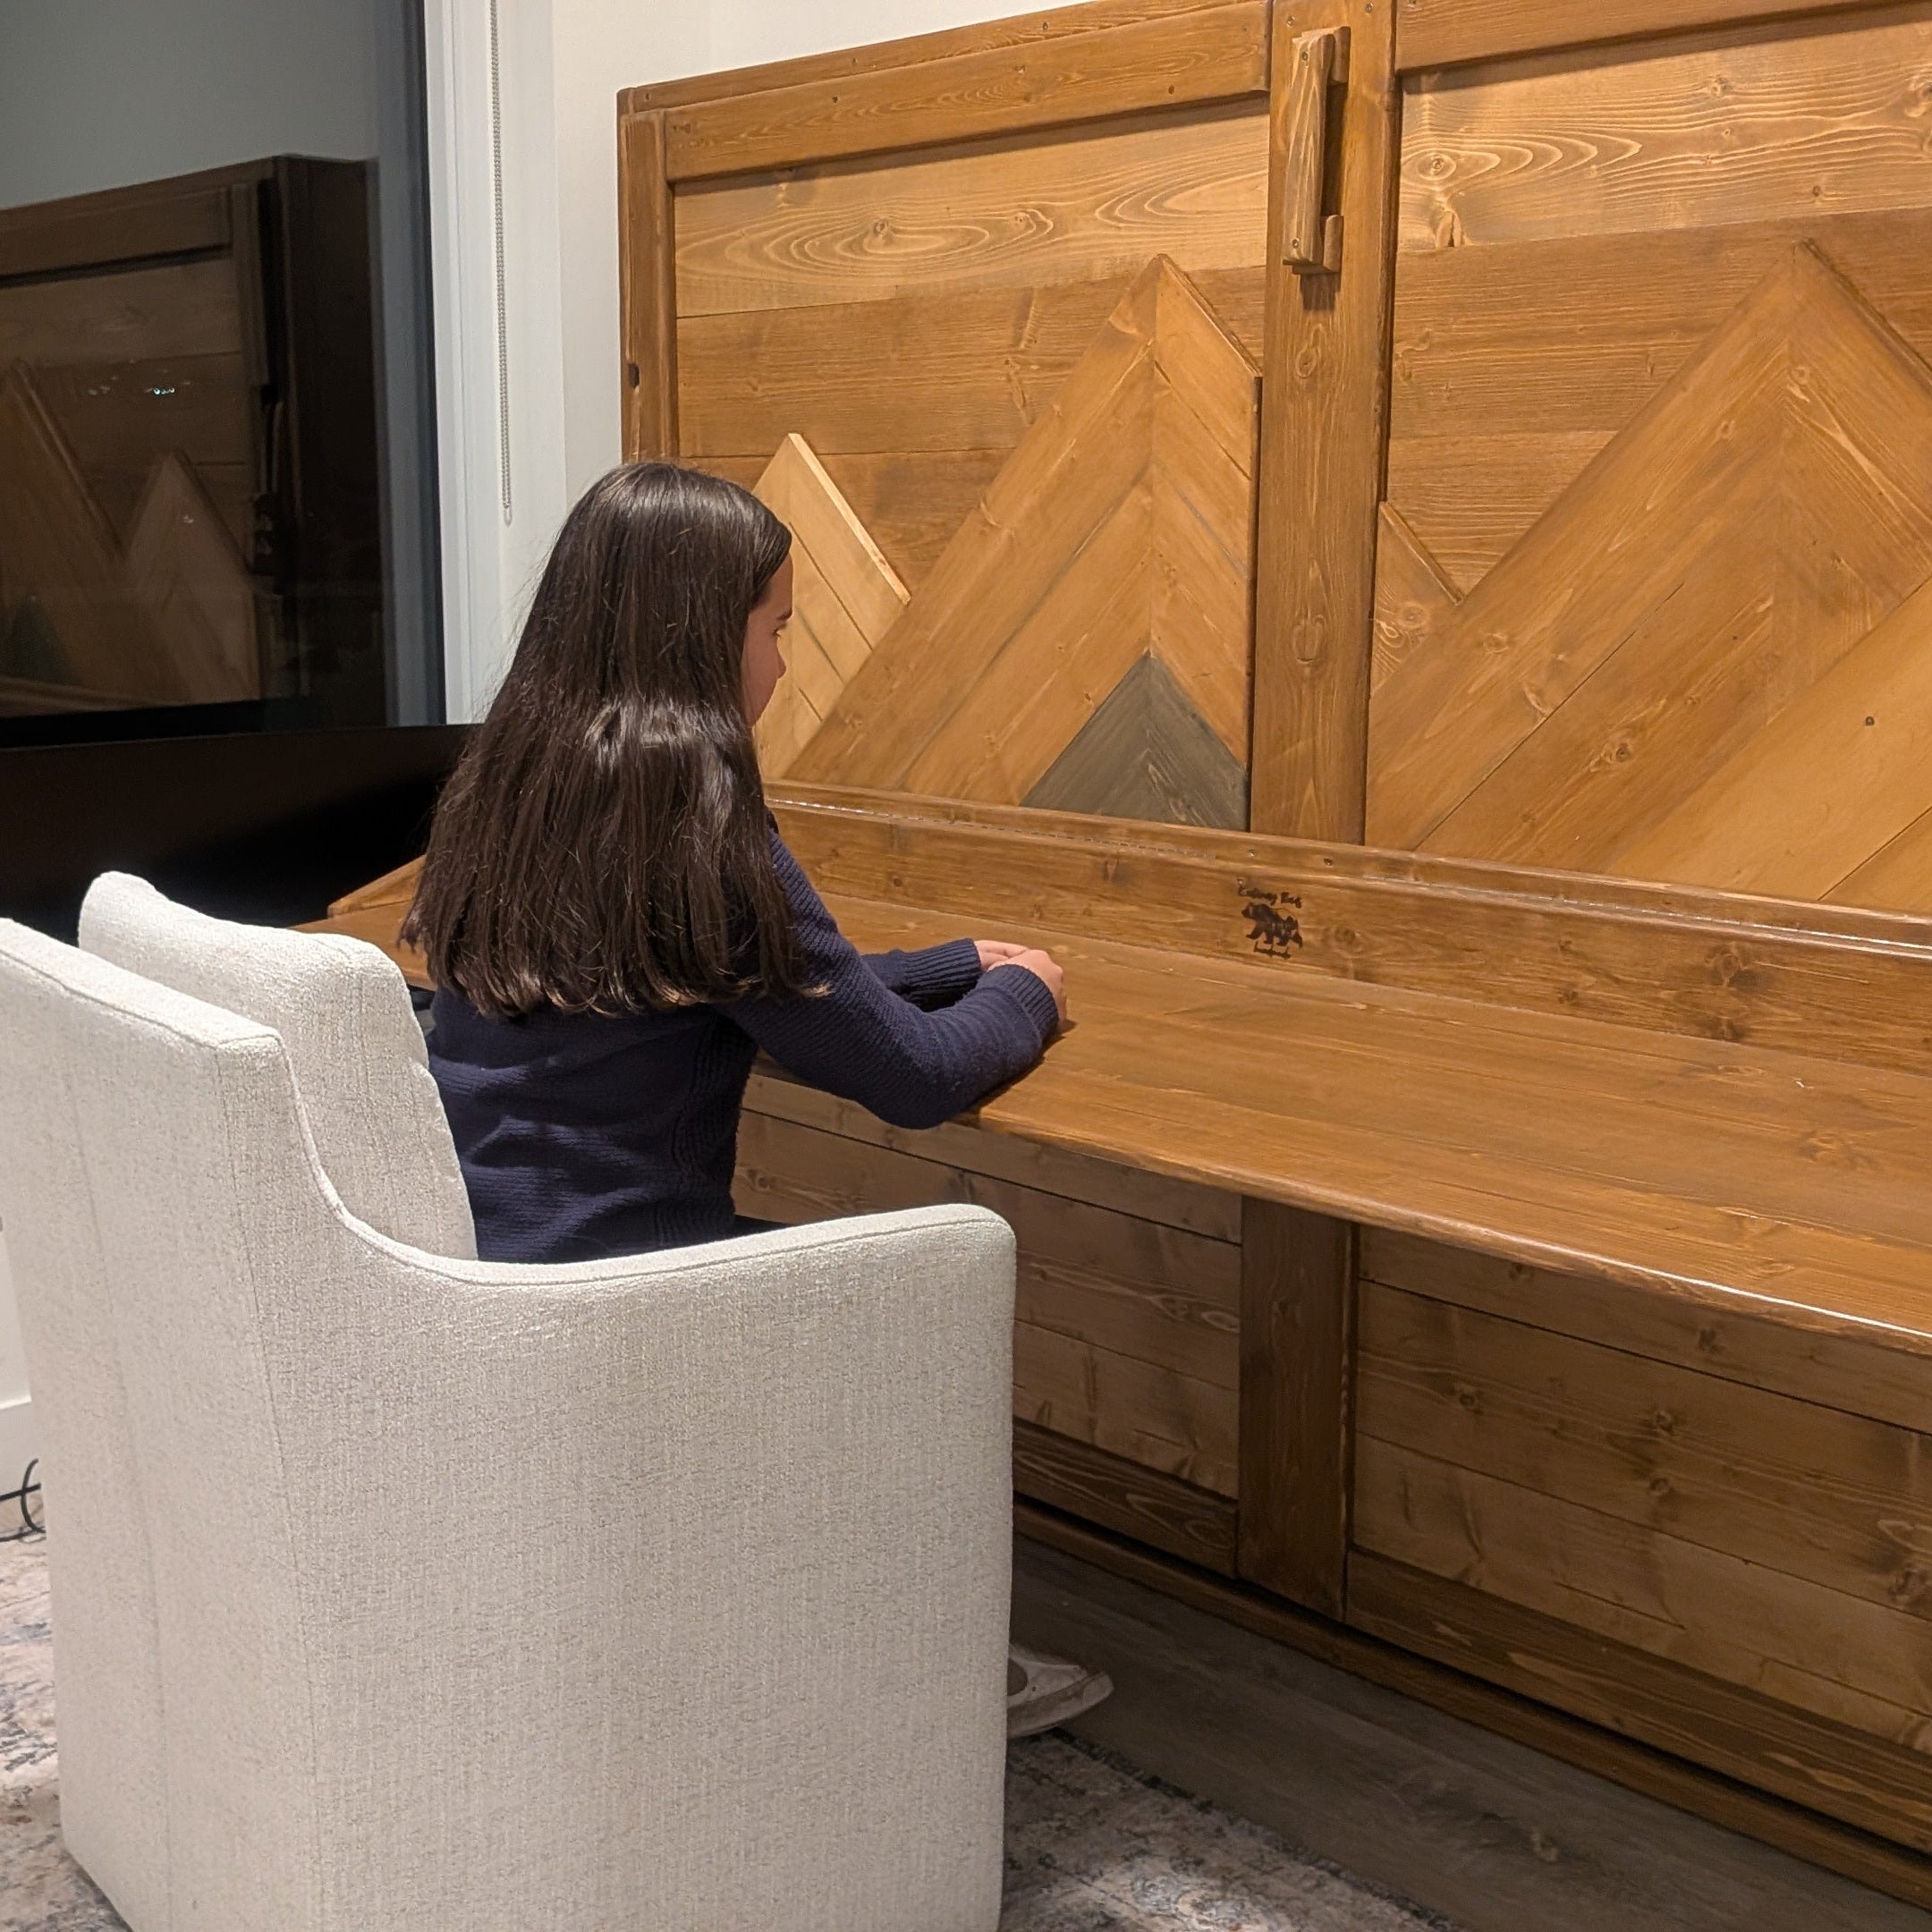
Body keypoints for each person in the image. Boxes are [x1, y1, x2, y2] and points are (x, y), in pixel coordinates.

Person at [404, 461, 1111, 1738]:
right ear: (696, 638)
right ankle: (909, 1678)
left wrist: (956, 963)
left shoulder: (506, 794)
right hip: (632, 1287)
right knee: (929, 1293)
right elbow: (912, 1080)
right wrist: (1035, 994)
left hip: (484, 1267)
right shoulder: (697, 828)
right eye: (776, 627)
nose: (784, 664)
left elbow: (745, 980)